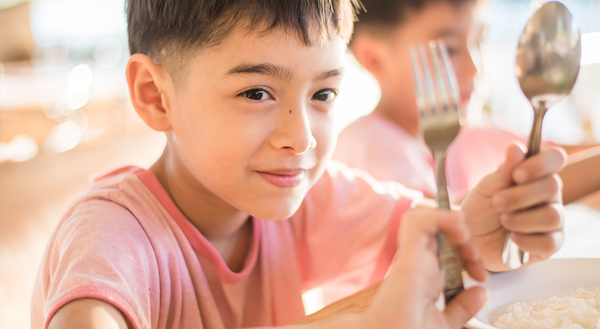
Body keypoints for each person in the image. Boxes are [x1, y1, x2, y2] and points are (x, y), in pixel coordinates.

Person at [31, 0, 566, 328]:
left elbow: (442, 241)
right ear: (156, 96)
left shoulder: (308, 197)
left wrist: (485, 232)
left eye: (324, 94)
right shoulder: (111, 234)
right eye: (258, 92)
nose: (301, 137)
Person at [333, 0, 600, 204]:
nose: (475, 69)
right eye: (449, 49)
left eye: (479, 41)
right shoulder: (368, 145)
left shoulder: (464, 135)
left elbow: (561, 157)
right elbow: (443, 228)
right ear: (374, 59)